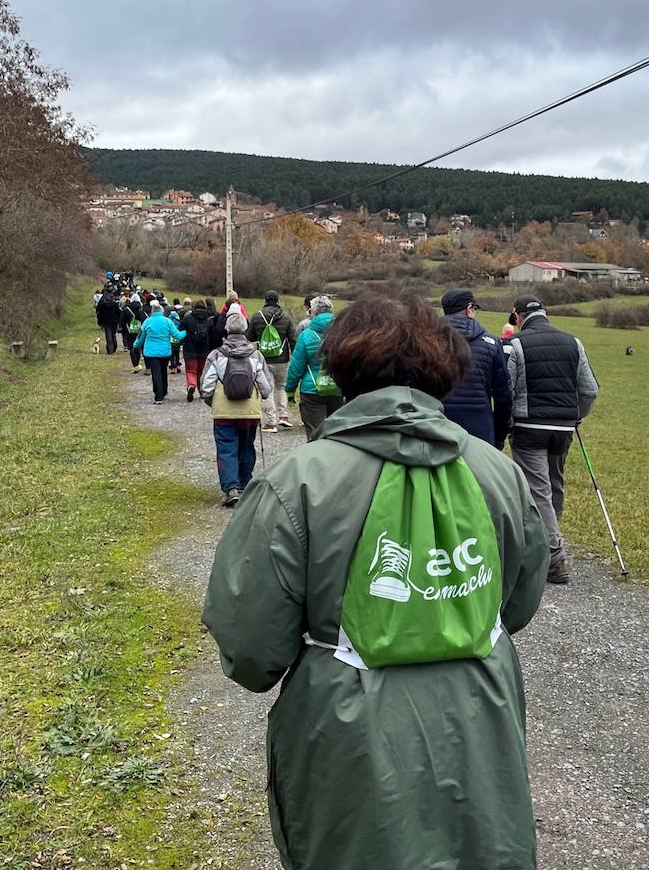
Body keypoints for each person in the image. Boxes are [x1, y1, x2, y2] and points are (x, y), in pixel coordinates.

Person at [203, 296, 549, 870]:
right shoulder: (498, 471)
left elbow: (251, 650)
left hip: (349, 732)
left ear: (342, 369)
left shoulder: (297, 482)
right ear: (446, 369)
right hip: (478, 718)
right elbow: (516, 603)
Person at [505, 294, 599, 585]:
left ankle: (554, 558)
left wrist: (507, 422)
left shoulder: (516, 344)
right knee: (554, 486)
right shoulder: (574, 342)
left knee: (538, 490)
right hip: (563, 428)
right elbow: (589, 390)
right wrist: (577, 415)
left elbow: (507, 389)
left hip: (529, 426)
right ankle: (550, 542)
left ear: (517, 317)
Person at [200, 313, 272, 507]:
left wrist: (211, 401)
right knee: (246, 447)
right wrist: (262, 397)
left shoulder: (216, 354)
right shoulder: (256, 354)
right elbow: (265, 387)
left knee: (226, 448)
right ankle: (245, 485)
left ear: (227, 330)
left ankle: (231, 489)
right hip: (249, 411)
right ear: (245, 329)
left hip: (224, 411)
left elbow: (206, 386)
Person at [439, 289, 512, 448]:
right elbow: (504, 397)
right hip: (480, 430)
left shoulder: (426, 341)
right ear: (469, 309)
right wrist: (499, 437)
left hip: (436, 426)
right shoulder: (491, 343)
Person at [285, 294, 341, 440]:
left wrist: (290, 390)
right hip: (338, 388)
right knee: (337, 435)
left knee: (315, 436)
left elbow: (296, 367)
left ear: (313, 312)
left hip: (312, 390)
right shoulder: (343, 334)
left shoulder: (306, 335)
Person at [247, 290, 298, 433]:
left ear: (265, 300)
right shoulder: (287, 318)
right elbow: (293, 339)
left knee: (267, 389)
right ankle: (284, 416)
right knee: (281, 387)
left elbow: (250, 337)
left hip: (264, 359)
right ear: (277, 300)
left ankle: (271, 422)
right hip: (282, 358)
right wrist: (295, 357)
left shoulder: (257, 317)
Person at [132, 300, 187, 404]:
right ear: (162, 311)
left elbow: (141, 337)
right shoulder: (167, 321)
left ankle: (158, 396)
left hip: (151, 352)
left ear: (152, 311)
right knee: (163, 371)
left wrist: (135, 346)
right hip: (165, 351)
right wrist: (186, 331)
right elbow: (178, 335)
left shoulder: (147, 321)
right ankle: (164, 390)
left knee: (155, 373)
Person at [181, 298, 215, 401]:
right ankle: (201, 390)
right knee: (201, 372)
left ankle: (191, 385)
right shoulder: (209, 319)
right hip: (204, 350)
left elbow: (181, 331)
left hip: (190, 350)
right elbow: (213, 335)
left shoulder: (188, 318)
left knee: (191, 371)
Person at [95, 287, 120, 354]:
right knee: (113, 335)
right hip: (114, 322)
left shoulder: (103, 306)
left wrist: (100, 322)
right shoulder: (115, 305)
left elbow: (100, 315)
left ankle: (110, 349)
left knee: (108, 336)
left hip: (106, 322)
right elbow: (119, 313)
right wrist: (118, 321)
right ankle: (114, 346)